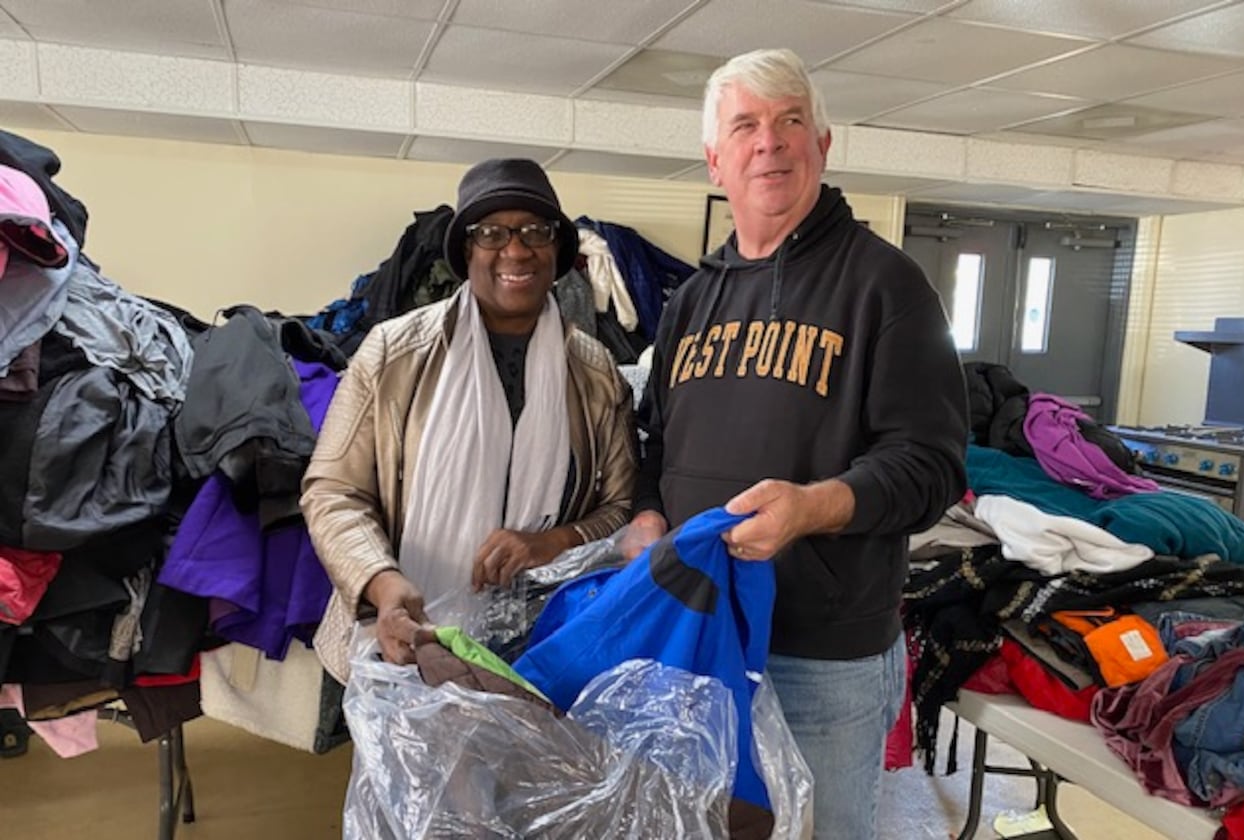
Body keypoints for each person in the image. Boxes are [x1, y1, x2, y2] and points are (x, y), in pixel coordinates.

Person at [624, 49, 968, 839]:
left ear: (823, 144)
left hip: (822, 657)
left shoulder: (886, 283)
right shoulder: (692, 302)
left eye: (789, 123)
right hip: (699, 630)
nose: (769, 144)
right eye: (745, 126)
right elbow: (655, 444)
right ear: (716, 159)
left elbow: (932, 464)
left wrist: (814, 507)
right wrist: (647, 515)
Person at [302, 158, 637, 681]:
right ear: (466, 250)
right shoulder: (393, 354)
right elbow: (332, 490)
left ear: (556, 249)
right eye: (492, 233)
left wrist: (551, 543)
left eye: (535, 231)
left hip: (536, 647)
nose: (516, 249)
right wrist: (384, 583)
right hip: (402, 636)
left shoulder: (596, 375)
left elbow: (619, 508)